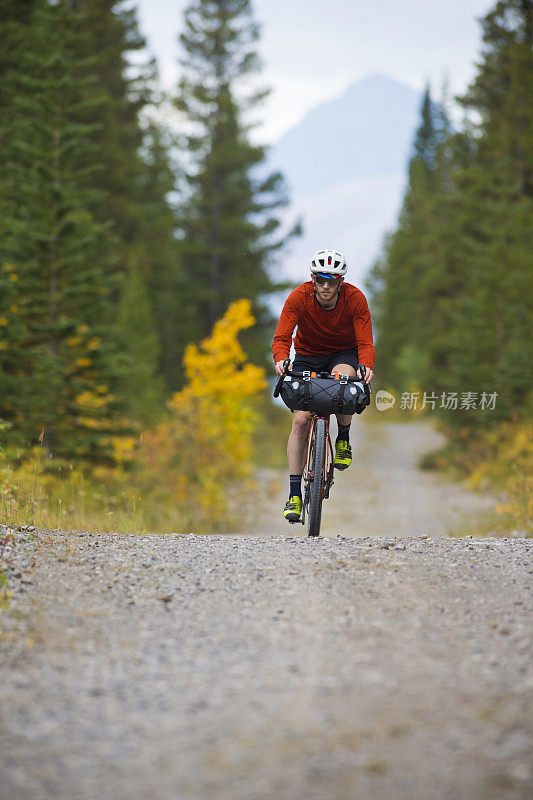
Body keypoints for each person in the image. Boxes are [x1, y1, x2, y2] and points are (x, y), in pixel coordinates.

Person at [272, 248, 375, 522]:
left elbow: (365, 343)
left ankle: (343, 437)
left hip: (343, 353)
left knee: (344, 384)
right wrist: (281, 359)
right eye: (321, 280)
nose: (326, 286)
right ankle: (294, 494)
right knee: (301, 421)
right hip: (307, 356)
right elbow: (282, 336)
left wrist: (366, 366)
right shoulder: (298, 297)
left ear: (341, 281)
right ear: (313, 279)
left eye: (332, 280)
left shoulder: (355, 299)